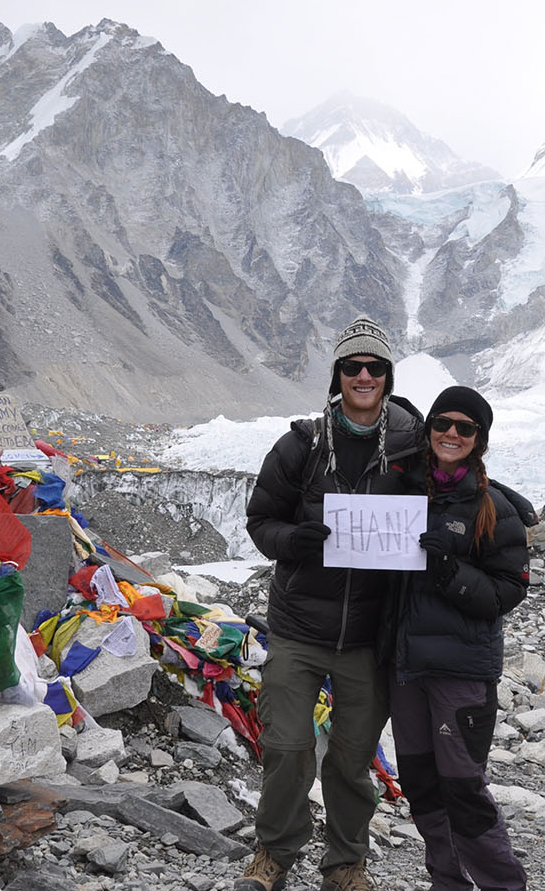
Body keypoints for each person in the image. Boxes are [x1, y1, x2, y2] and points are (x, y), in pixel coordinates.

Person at [239, 315, 425, 891]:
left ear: (388, 376)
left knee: (351, 758)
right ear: (337, 375)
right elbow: (261, 520)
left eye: (374, 367)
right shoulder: (301, 446)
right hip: (298, 626)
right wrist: (292, 541)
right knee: (288, 747)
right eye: (352, 366)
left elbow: (456, 483)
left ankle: (345, 864)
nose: (363, 375)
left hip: (368, 635)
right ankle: (273, 854)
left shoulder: (410, 445)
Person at [391, 385, 530, 891]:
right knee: (423, 788)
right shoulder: (405, 494)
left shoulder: (494, 508)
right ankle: (447, 883)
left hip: (461, 674)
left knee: (464, 790)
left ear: (480, 439)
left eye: (465, 427)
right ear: (429, 430)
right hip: (407, 669)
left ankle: (503, 885)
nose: (452, 433)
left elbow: (509, 589)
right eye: (443, 423)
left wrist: (450, 570)